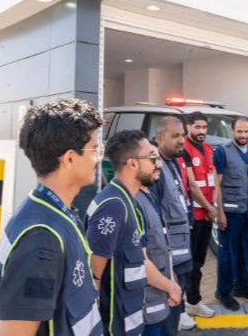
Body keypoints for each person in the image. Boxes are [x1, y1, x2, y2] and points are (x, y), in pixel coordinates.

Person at [0, 98, 104, 336]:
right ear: (70, 158)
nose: (98, 158)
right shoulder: (41, 238)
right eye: (94, 149)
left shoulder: (55, 213)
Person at [86, 129, 151, 336]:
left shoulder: (126, 201)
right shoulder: (114, 206)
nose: (157, 163)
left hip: (126, 320)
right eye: (151, 157)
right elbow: (93, 274)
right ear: (132, 164)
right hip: (113, 326)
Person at [214, 116, 248, 311]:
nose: (243, 135)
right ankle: (223, 291)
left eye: (246, 131)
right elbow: (217, 185)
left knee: (246, 252)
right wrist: (220, 213)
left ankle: (242, 286)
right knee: (227, 254)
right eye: (239, 131)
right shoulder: (222, 152)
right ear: (232, 131)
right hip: (231, 213)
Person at [135, 141, 183, 335]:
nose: (159, 164)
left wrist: (171, 277)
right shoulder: (132, 202)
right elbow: (140, 260)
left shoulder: (149, 195)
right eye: (153, 158)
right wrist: (170, 286)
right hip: (146, 303)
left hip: (159, 295)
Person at [152, 116, 193, 335]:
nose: (181, 140)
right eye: (175, 136)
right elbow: (156, 222)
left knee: (174, 317)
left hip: (181, 255)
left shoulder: (173, 162)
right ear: (159, 137)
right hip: (171, 262)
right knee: (167, 321)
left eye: (182, 135)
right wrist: (167, 268)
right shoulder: (156, 169)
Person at [181, 112, 217, 320]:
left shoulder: (208, 148)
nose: (202, 131)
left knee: (199, 262)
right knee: (189, 263)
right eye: (197, 127)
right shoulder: (185, 149)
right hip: (194, 215)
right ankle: (186, 303)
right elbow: (192, 185)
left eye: (204, 127)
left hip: (206, 214)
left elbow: (212, 178)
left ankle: (193, 302)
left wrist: (214, 206)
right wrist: (209, 208)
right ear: (188, 127)